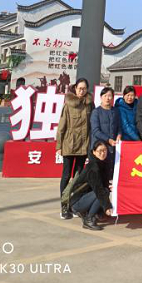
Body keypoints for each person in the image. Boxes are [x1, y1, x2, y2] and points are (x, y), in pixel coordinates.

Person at [56, 77, 93, 219]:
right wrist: (59, 146)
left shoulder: (89, 104)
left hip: (83, 146)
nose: (82, 91)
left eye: (84, 89)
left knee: (78, 177)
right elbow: (61, 126)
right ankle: (64, 206)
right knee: (66, 176)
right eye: (79, 88)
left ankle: (75, 204)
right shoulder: (68, 104)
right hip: (69, 145)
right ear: (75, 88)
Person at [64, 140, 113, 231]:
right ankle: (88, 219)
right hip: (76, 201)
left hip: (86, 197)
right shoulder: (93, 168)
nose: (103, 153)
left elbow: (102, 184)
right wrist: (107, 206)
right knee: (103, 192)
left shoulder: (102, 163)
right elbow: (99, 190)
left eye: (105, 150)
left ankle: (96, 213)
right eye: (100, 151)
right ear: (94, 152)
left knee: (105, 190)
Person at [90, 87, 121, 166]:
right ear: (101, 97)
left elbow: (119, 126)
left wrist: (119, 135)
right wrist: (108, 140)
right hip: (99, 148)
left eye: (110, 96)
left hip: (112, 147)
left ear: (113, 98)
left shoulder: (116, 111)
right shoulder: (96, 112)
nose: (107, 98)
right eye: (105, 96)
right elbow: (95, 131)